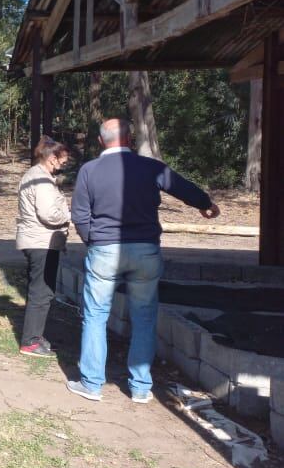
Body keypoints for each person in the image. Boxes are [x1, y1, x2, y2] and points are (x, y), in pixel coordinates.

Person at [67, 118, 220, 404]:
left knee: (95, 316)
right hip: (145, 251)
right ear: (129, 139)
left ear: (101, 141)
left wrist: (94, 241)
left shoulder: (89, 170)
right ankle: (139, 387)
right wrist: (206, 204)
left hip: (104, 251)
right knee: (145, 318)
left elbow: (79, 214)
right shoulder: (151, 167)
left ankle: (92, 384)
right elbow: (182, 187)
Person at [15, 136, 71, 358]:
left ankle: (35, 336)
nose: (65, 164)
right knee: (41, 292)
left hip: (39, 241)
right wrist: (69, 214)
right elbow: (49, 214)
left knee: (42, 291)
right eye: (63, 159)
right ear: (52, 158)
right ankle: (30, 341)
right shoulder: (41, 180)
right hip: (42, 242)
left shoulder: (38, 176)